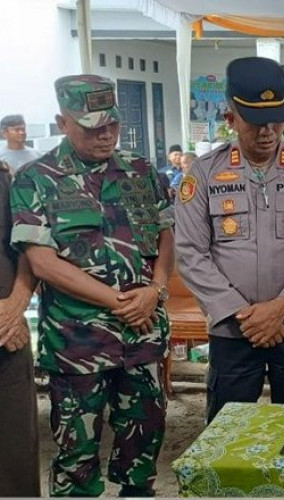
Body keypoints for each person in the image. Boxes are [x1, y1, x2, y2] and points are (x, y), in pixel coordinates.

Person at [10, 74, 174, 497]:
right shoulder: (36, 179)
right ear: (62, 122)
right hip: (77, 345)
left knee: (142, 454)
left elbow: (164, 235)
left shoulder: (141, 171)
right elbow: (41, 262)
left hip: (142, 338)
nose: (105, 136)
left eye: (113, 125)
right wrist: (121, 301)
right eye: (92, 127)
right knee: (75, 461)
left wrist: (156, 289)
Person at [175, 56, 284, 423]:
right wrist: (245, 316)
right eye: (255, 121)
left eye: (276, 119)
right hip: (233, 331)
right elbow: (190, 252)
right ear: (231, 119)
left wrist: (280, 308)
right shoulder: (204, 174)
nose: (268, 131)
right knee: (228, 434)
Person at [0, 159, 40, 497]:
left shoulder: (3, 183)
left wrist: (15, 305)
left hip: (6, 333)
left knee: (15, 451)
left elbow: (25, 248)